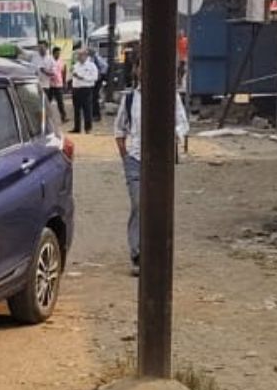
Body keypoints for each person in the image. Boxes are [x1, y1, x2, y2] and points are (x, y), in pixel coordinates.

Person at [113, 86, 190, 277]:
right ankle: (138, 254)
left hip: (161, 160)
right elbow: (119, 128)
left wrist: (170, 133)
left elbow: (183, 124)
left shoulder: (170, 96)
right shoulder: (130, 98)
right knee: (139, 204)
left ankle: (158, 253)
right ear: (137, 69)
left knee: (159, 206)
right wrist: (125, 156)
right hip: (135, 159)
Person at [71, 48, 99, 134]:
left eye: (81, 55)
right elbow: (73, 76)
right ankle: (77, 127)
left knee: (87, 109)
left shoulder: (91, 66)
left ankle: (88, 128)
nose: (79, 57)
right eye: (78, 55)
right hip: (76, 89)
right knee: (76, 110)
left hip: (86, 89)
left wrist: (82, 77)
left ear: (86, 56)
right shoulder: (76, 65)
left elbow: (95, 77)